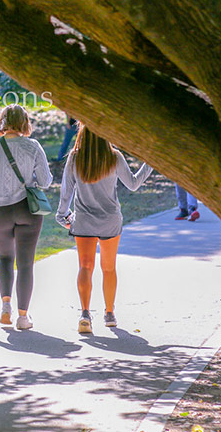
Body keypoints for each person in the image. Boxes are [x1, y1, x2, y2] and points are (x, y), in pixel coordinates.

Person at [57, 125, 153, 333]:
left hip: (83, 220)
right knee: (108, 268)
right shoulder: (114, 157)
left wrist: (62, 215)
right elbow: (134, 184)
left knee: (85, 267)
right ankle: (109, 314)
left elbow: (67, 190)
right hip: (110, 220)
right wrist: (151, 162)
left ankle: (84, 314)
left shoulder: (74, 158)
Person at [0, 105, 53, 330]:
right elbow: (45, 182)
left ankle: (6, 307)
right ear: (25, 122)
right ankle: (23, 318)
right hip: (28, 210)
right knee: (25, 264)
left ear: (2, 122)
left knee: (5, 259)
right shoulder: (33, 146)